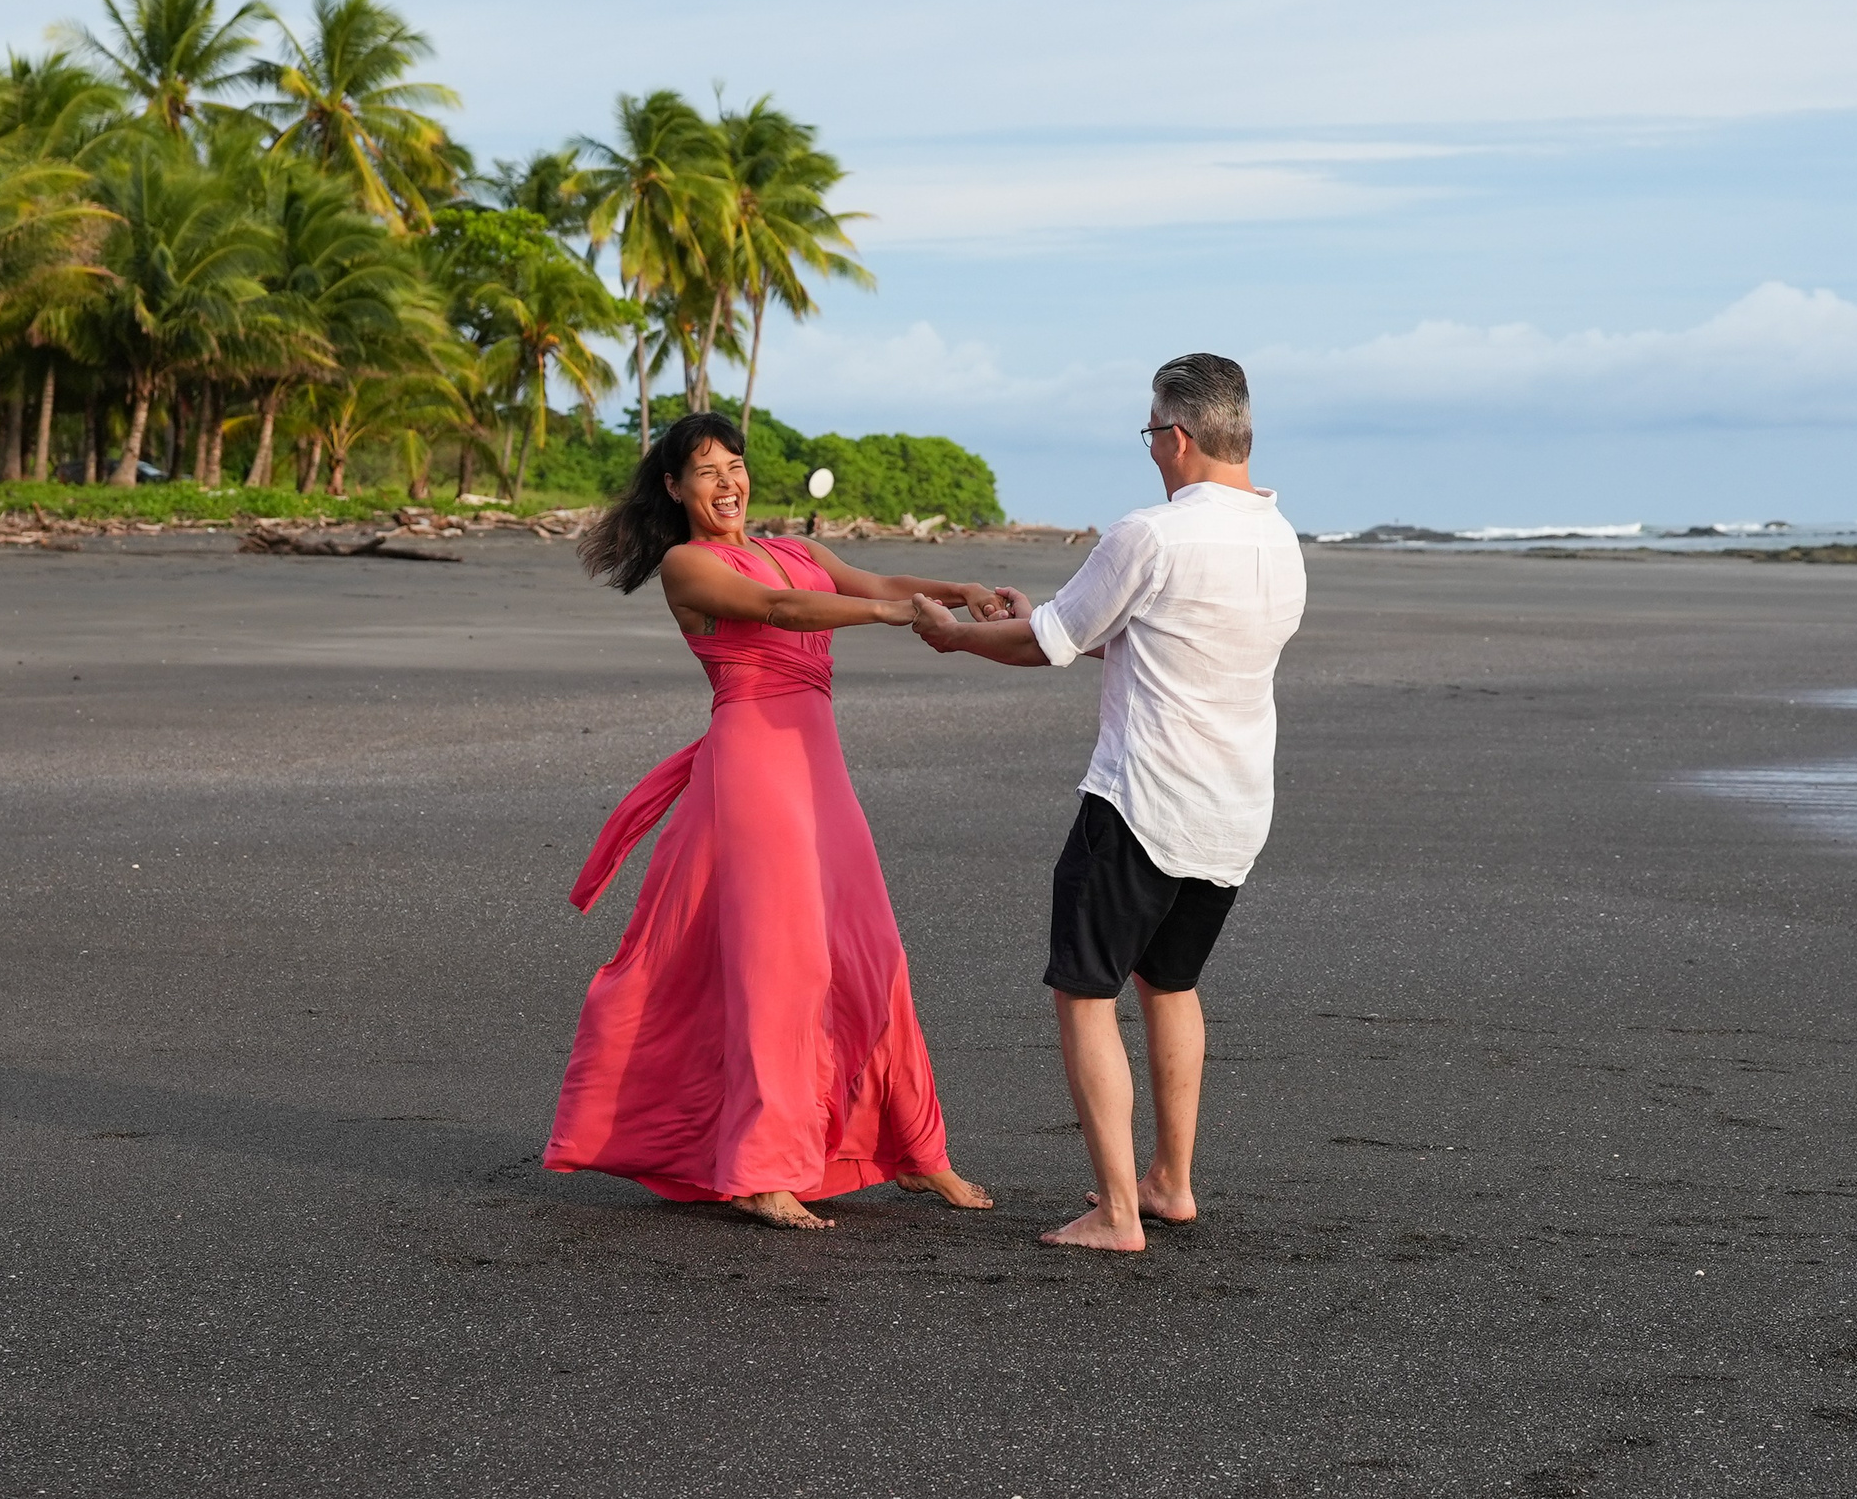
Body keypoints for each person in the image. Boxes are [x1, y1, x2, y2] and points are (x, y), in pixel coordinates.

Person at [544, 412, 997, 1232]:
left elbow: (861, 581)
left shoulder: (796, 546)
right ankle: (760, 1169)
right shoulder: (689, 566)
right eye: (706, 471)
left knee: (873, 950)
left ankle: (917, 1153)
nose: (727, 483)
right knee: (777, 966)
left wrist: (957, 592)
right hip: (752, 773)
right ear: (676, 488)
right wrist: (896, 621)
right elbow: (783, 611)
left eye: (736, 466)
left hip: (819, 773)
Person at [908, 355, 1304, 1251]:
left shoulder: (1151, 532)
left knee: (1085, 994)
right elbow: (1143, 637)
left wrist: (960, 638)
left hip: (1141, 802)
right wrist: (1038, 614)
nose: (1152, 455)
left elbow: (1047, 647)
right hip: (1235, 807)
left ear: (1177, 435)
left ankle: (1118, 1211)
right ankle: (1171, 1182)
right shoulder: (1279, 539)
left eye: (1150, 437)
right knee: (1170, 984)